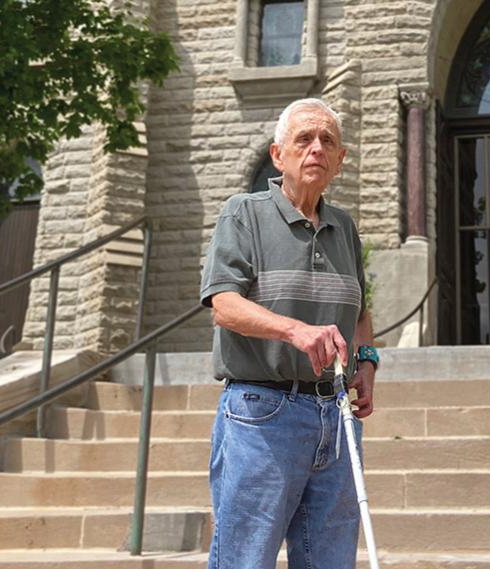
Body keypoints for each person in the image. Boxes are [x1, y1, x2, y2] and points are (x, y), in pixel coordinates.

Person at [199, 98, 378, 569]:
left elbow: (360, 312)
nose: (316, 148)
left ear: (340, 160)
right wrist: (295, 331)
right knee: (245, 561)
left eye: (327, 141)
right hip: (263, 412)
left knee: (330, 562)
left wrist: (368, 362)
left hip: (337, 416)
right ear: (278, 155)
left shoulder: (346, 228)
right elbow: (224, 305)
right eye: (304, 139)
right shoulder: (244, 213)